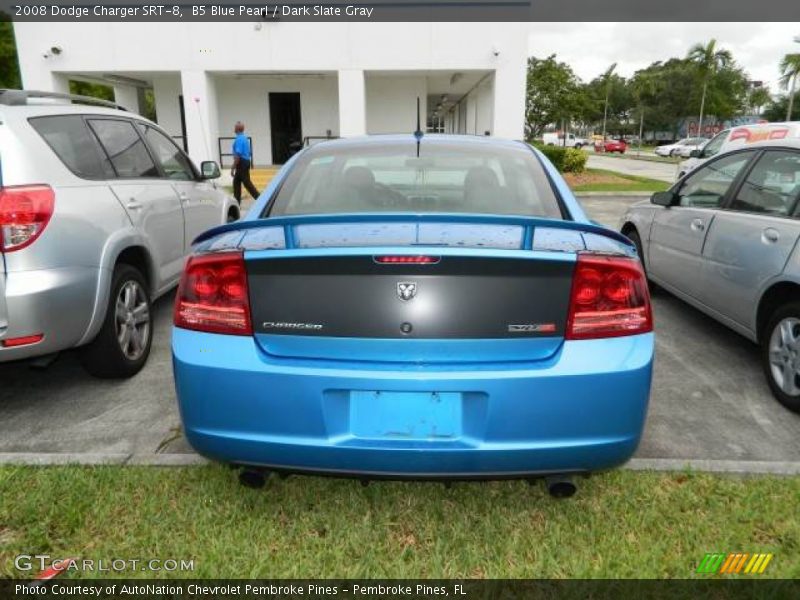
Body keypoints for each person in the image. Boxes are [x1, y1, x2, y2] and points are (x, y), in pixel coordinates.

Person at [230, 121, 260, 205]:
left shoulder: (239, 139)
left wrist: (233, 167)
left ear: (237, 129)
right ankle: (237, 204)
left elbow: (238, 155)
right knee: (237, 183)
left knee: (246, 183)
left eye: (235, 127)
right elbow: (249, 152)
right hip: (245, 162)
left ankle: (260, 199)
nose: (234, 128)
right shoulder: (245, 138)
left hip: (241, 163)